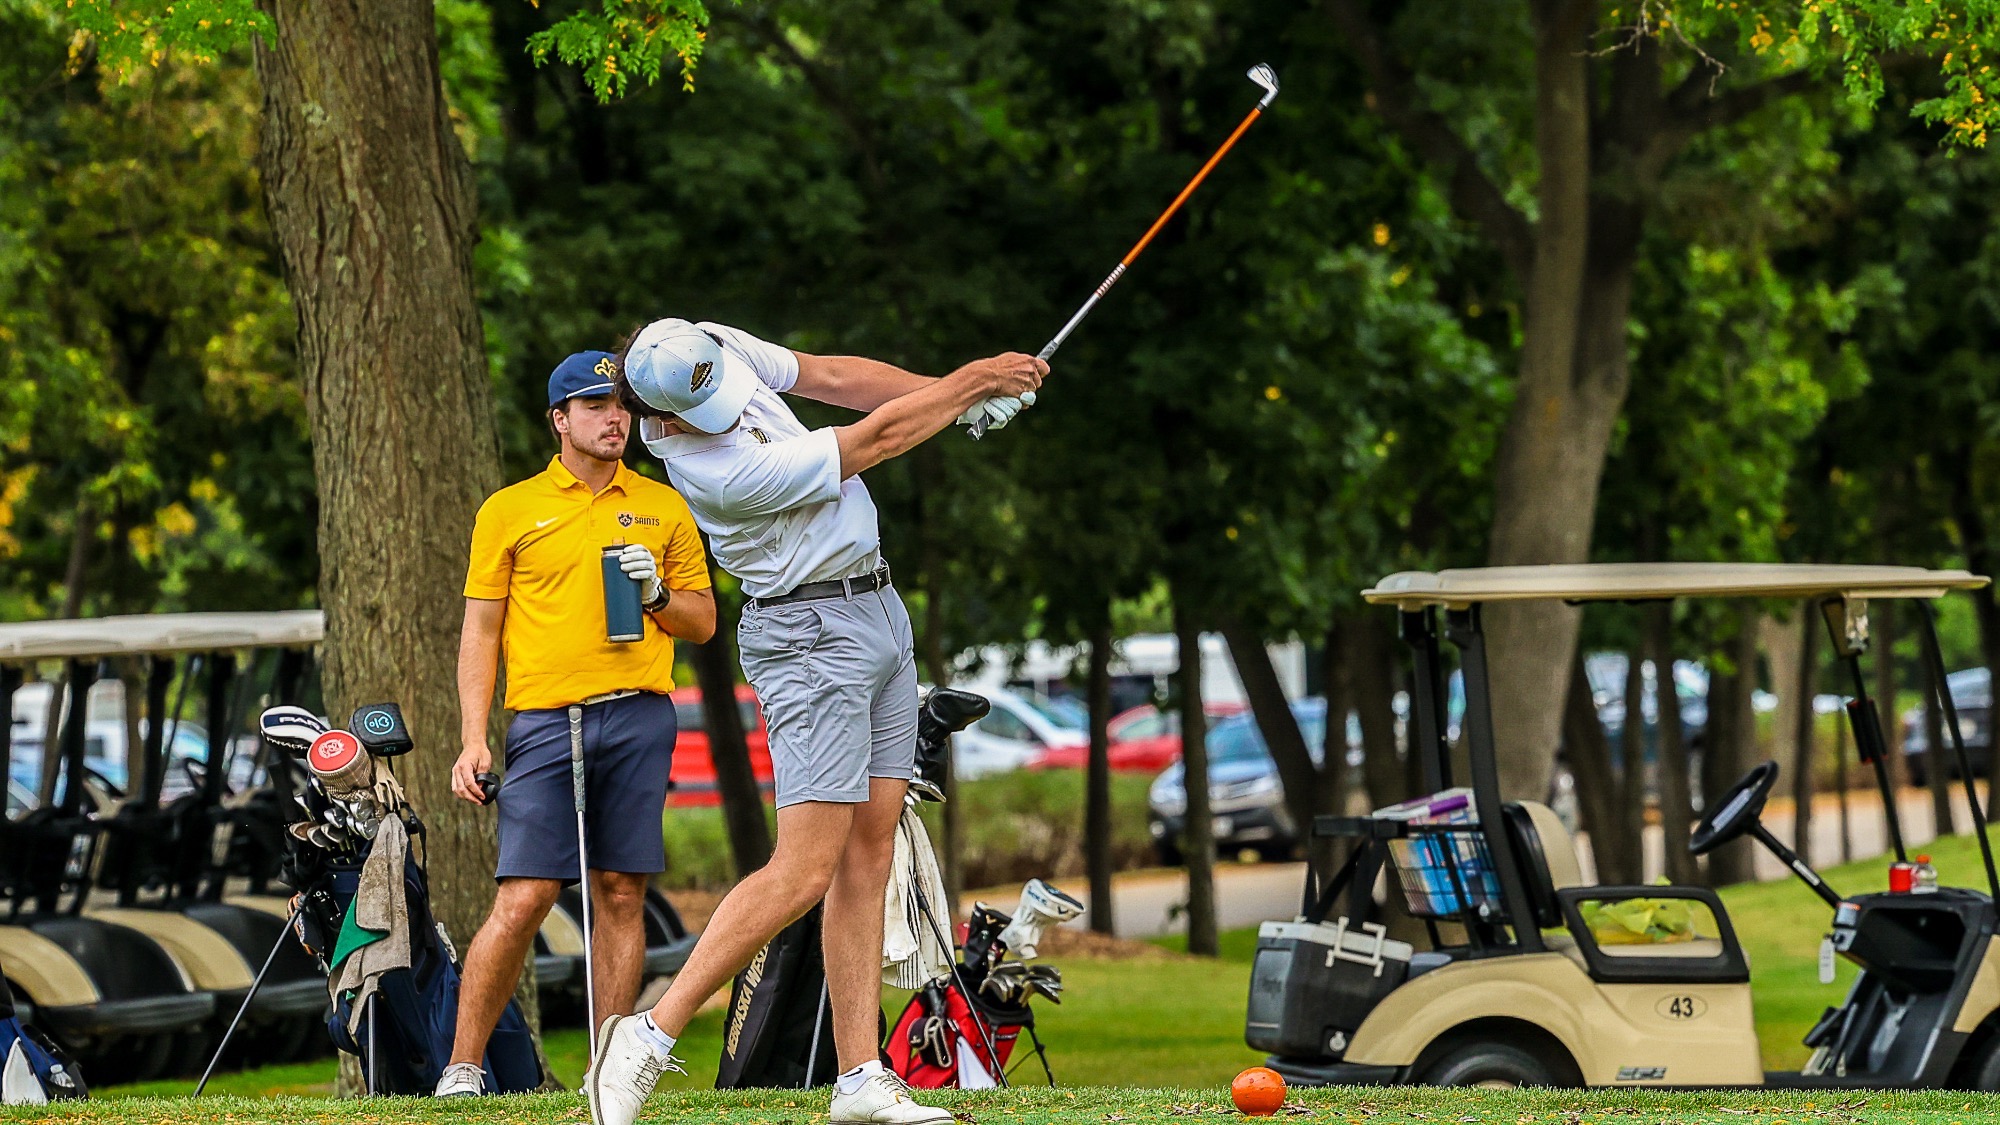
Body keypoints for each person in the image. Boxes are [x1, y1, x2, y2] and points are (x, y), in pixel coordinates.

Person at [583, 319, 1044, 1125]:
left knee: (871, 847)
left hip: (877, 612)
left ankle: (860, 1076)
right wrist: (968, 386)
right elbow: (876, 440)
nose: (729, 408)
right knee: (802, 870)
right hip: (809, 639)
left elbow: (831, 373)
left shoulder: (704, 346)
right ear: (660, 417)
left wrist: (952, 399)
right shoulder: (716, 470)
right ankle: (643, 1038)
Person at [434, 351, 719, 1097]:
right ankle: (463, 1067)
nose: (613, 416)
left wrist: (657, 594)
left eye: (621, 403)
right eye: (595, 404)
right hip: (542, 721)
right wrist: (473, 736)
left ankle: (609, 1072)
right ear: (559, 419)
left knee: (623, 889)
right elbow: (481, 633)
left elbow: (703, 622)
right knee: (524, 895)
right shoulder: (508, 509)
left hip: (639, 714)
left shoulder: (664, 505)